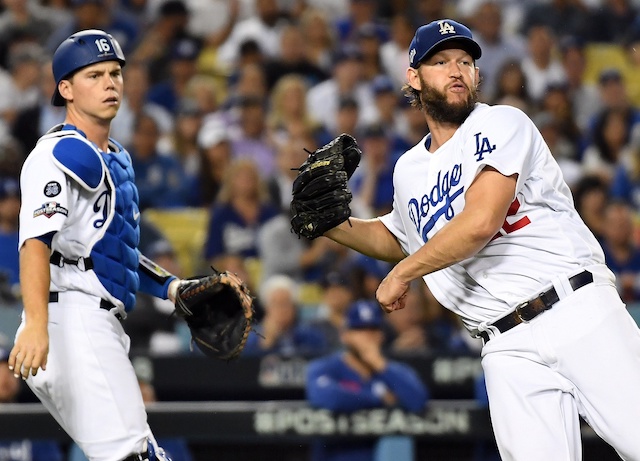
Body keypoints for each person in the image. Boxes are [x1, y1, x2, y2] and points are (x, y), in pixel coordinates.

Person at [313, 19, 640, 460]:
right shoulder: (408, 170)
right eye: (441, 61)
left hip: (574, 309)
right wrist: (332, 225)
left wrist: (403, 274)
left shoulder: (503, 122)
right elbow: (402, 236)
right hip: (502, 345)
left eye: (466, 61)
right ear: (413, 76)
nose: (457, 70)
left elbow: (481, 220)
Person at [8, 29, 200, 461]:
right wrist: (38, 324)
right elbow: (34, 243)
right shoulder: (57, 155)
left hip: (93, 322)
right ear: (66, 89)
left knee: (138, 454)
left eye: (115, 72)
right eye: (93, 75)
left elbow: (110, 253)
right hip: (68, 321)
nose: (110, 82)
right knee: (136, 456)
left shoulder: (114, 155)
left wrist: (173, 288)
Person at [305, 299, 428, 461]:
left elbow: (418, 400)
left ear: (381, 335)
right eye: (360, 329)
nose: (367, 336)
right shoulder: (325, 368)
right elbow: (327, 397)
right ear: (345, 335)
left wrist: (379, 364)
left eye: (373, 329)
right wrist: (378, 398)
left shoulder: (394, 370)